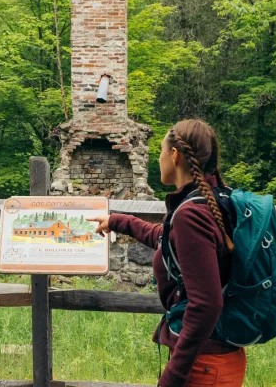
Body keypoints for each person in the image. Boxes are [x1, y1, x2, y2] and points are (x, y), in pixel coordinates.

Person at [91, 119, 245, 387]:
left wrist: (172, 376)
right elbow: (167, 239)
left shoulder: (191, 213)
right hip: (221, 357)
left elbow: (207, 304)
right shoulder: (215, 199)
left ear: (174, 155)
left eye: (161, 151)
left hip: (203, 366)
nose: (159, 158)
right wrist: (117, 220)